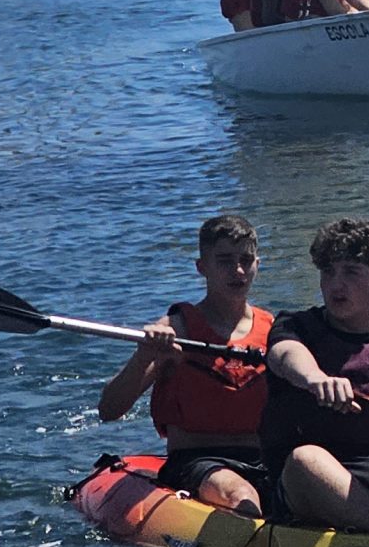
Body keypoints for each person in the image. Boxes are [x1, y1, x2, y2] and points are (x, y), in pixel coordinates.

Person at [261, 218, 369, 532]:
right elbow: (284, 354)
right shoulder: (296, 326)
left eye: (350, 272)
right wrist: (315, 378)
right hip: (310, 486)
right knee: (305, 460)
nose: (335, 285)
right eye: (328, 272)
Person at [97, 214, 272, 515]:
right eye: (225, 261)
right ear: (202, 267)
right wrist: (144, 356)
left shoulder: (274, 329)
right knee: (242, 495)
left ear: (258, 264)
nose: (238, 270)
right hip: (197, 459)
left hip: (263, 457)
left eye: (246, 260)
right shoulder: (177, 329)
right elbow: (109, 409)